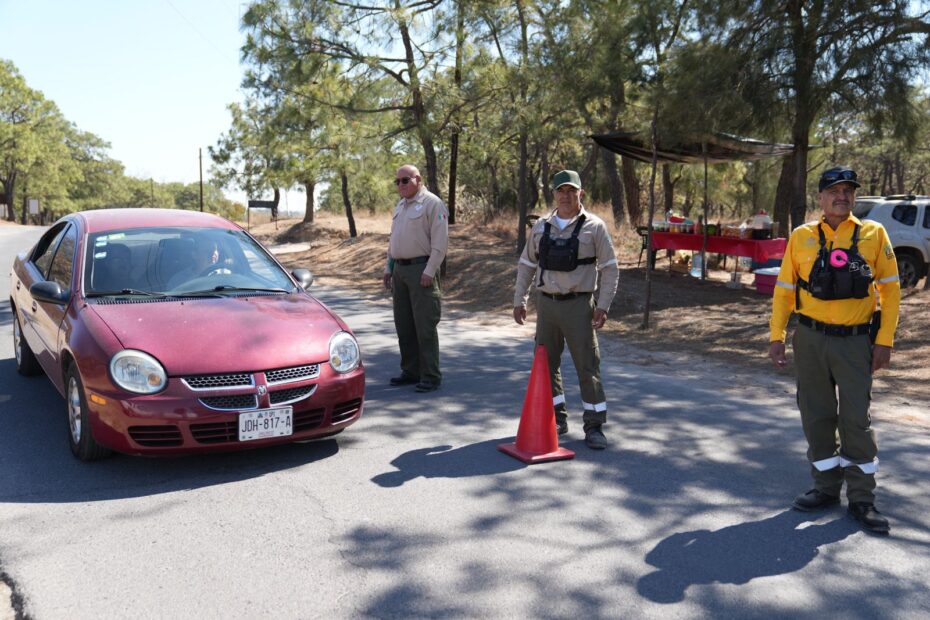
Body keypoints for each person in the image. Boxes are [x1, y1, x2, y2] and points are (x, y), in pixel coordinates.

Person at [768, 165, 901, 534]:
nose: (842, 196)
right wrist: (776, 334)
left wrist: (885, 340)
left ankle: (862, 499)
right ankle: (826, 488)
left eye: (848, 191)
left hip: (856, 341)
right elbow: (784, 289)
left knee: (855, 419)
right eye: (834, 191)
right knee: (816, 415)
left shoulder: (874, 233)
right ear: (821, 197)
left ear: (854, 197)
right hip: (810, 339)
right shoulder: (802, 236)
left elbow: (891, 290)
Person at [513, 170, 620, 449]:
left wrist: (603, 305)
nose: (566, 195)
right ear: (554, 194)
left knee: (587, 366)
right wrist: (519, 299)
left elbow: (610, 268)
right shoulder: (541, 226)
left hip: (578, 306)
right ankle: (555, 418)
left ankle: (594, 426)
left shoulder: (594, 226)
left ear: (580, 193)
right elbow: (527, 264)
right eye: (561, 190)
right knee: (545, 364)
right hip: (547, 305)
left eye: (571, 190)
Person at [382, 164, 449, 393]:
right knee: (404, 325)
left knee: (424, 326)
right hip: (400, 270)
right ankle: (411, 371)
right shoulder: (401, 205)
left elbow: (440, 242)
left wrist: (430, 270)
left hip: (421, 269)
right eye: (397, 181)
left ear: (418, 180)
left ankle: (430, 375)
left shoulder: (432, 203)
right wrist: (388, 267)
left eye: (405, 180)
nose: (400, 185)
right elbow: (393, 241)